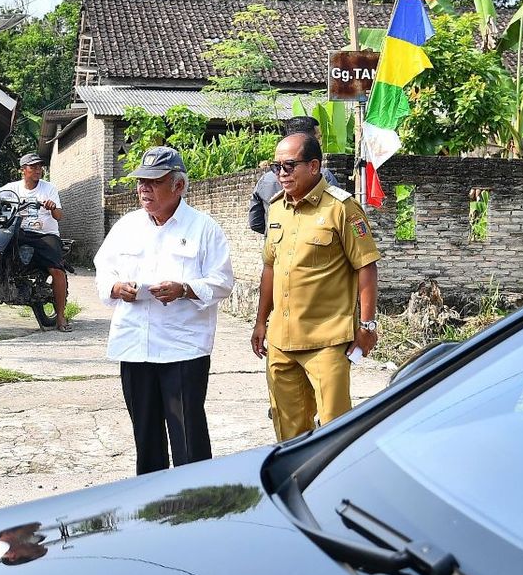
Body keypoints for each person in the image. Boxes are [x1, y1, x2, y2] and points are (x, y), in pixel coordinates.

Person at [94, 146, 235, 475]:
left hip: (182, 349)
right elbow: (104, 269)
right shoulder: (127, 226)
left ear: (179, 186)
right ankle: (153, 509)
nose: (144, 189)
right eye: (141, 182)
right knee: (146, 437)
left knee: (188, 436)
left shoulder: (203, 228)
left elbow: (222, 281)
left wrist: (185, 289)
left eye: (154, 182)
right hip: (135, 347)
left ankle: (197, 506)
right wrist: (116, 288)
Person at [251, 133, 381, 442]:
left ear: (314, 166)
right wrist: (260, 321)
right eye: (276, 166)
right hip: (281, 342)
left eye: (289, 165)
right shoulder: (277, 208)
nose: (282, 173)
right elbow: (270, 267)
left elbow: (366, 266)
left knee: (336, 433)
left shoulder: (341, 208)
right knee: (289, 433)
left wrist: (367, 324)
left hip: (327, 340)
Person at [0, 153, 71, 331]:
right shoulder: (13, 187)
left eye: (40, 167)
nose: (38, 170)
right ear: (23, 170)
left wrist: (53, 207)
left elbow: (59, 216)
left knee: (56, 270)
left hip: (45, 235)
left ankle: (61, 317)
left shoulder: (49, 188)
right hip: (21, 232)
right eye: (33, 167)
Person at [248, 116, 341, 235]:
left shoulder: (265, 180)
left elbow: (256, 223)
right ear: (307, 140)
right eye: (318, 138)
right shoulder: (322, 175)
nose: (282, 174)